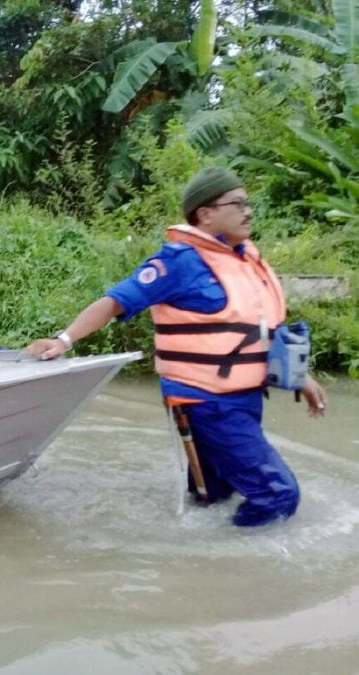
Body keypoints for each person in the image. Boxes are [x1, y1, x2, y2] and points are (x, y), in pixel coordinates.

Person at [26, 167, 328, 527]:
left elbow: (262, 329)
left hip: (242, 398)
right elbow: (116, 301)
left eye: (249, 204)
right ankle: (237, 569)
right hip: (206, 401)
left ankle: (196, 561)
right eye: (238, 204)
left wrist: (301, 378)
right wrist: (63, 340)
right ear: (205, 213)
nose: (248, 212)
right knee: (278, 495)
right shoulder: (179, 262)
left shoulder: (246, 260)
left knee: (213, 493)